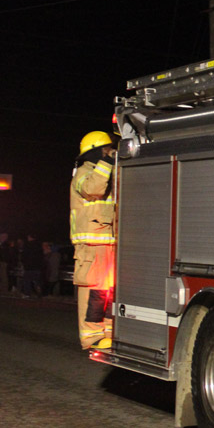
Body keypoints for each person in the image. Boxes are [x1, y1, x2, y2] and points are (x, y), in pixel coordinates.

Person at [70, 131, 118, 350]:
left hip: (109, 244)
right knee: (93, 293)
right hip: (90, 248)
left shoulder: (106, 173)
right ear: (97, 151)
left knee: (109, 292)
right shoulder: (83, 173)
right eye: (107, 149)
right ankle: (91, 338)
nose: (111, 152)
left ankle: (109, 333)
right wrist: (107, 161)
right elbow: (92, 190)